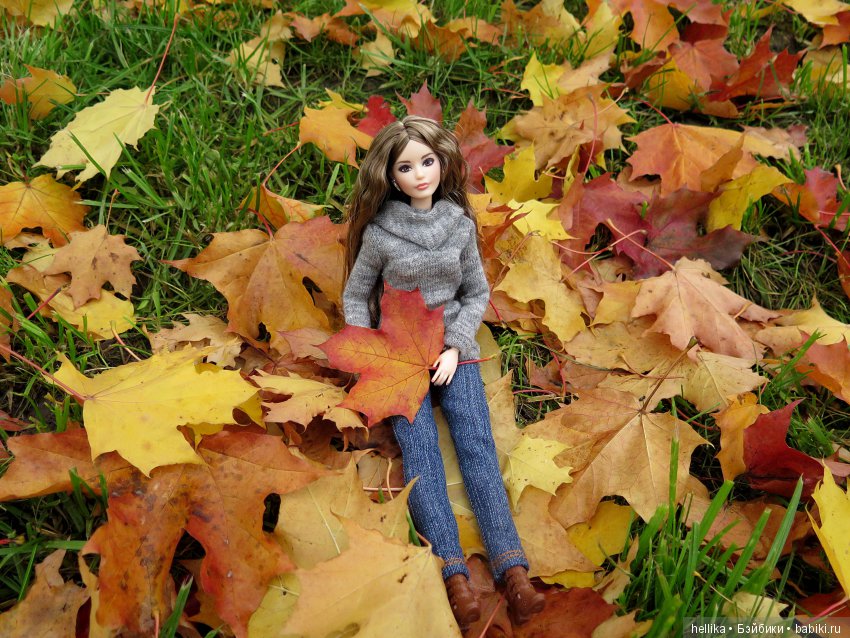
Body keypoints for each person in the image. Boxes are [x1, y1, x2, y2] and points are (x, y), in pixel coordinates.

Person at [341, 115, 545, 628]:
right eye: (406, 167)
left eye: (427, 162)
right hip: (401, 357)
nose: (420, 175)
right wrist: (371, 353)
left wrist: (455, 345)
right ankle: (453, 574)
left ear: (443, 163)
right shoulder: (381, 234)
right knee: (422, 458)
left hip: (454, 352)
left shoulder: (458, 224)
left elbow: (476, 293)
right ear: (390, 176)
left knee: (477, 448)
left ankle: (512, 568)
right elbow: (356, 295)